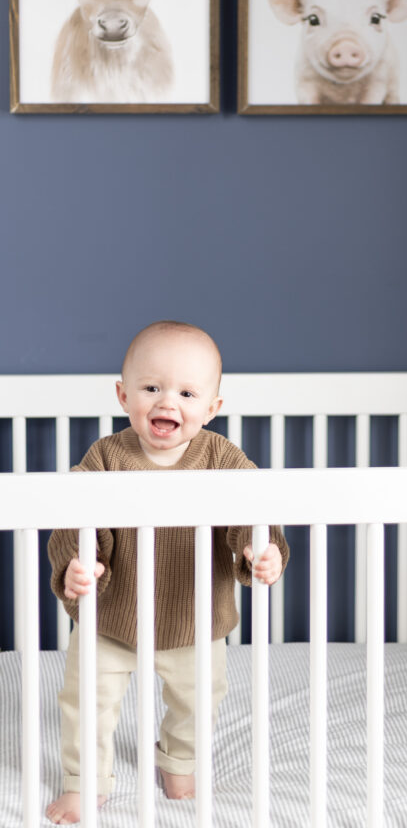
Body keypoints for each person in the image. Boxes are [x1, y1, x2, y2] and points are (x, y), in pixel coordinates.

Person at [46, 320, 289, 825]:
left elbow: (253, 508)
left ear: (212, 408)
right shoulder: (107, 458)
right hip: (111, 617)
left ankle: (178, 760)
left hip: (194, 619)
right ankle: (85, 782)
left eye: (186, 392)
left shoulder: (221, 458)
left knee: (197, 702)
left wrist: (259, 548)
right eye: (151, 388)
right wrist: (79, 560)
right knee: (87, 703)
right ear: (123, 394)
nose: (167, 402)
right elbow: (75, 512)